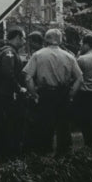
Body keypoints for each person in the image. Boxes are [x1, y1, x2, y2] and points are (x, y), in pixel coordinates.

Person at [23, 28, 83, 156]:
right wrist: (71, 94)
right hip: (63, 93)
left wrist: (34, 94)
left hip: (45, 93)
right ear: (60, 40)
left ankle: (45, 153)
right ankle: (64, 153)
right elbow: (79, 78)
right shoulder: (69, 56)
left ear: (46, 39)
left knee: (45, 124)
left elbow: (28, 77)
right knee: (63, 125)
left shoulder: (38, 55)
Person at [0, 28, 27, 160]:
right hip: (8, 96)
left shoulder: (9, 52)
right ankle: (10, 154)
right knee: (12, 124)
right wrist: (18, 88)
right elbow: (8, 73)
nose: (25, 41)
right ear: (17, 37)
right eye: (23, 38)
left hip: (8, 94)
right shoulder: (9, 53)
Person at [73, 34, 92, 147]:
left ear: (86, 44)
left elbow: (74, 76)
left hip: (86, 93)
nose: (80, 46)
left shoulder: (82, 59)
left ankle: (89, 145)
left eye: (81, 44)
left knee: (86, 122)